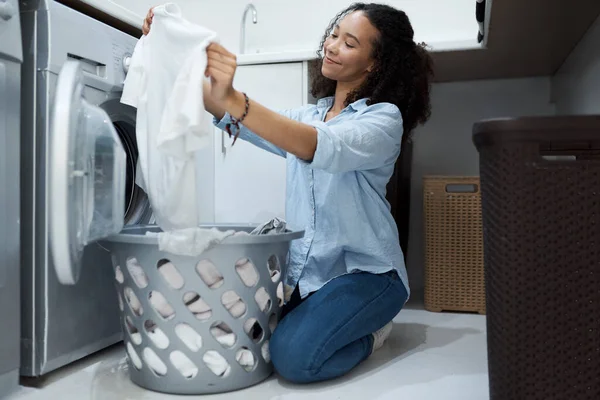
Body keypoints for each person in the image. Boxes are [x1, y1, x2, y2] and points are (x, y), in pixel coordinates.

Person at [142, 2, 433, 384]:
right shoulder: (308, 116)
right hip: (309, 274)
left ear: (374, 63)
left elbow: (315, 145)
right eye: (333, 35)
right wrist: (165, 47)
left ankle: (373, 335)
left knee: (293, 359)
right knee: (230, 331)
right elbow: (227, 110)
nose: (331, 46)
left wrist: (236, 99)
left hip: (367, 273)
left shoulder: (382, 120)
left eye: (349, 43)